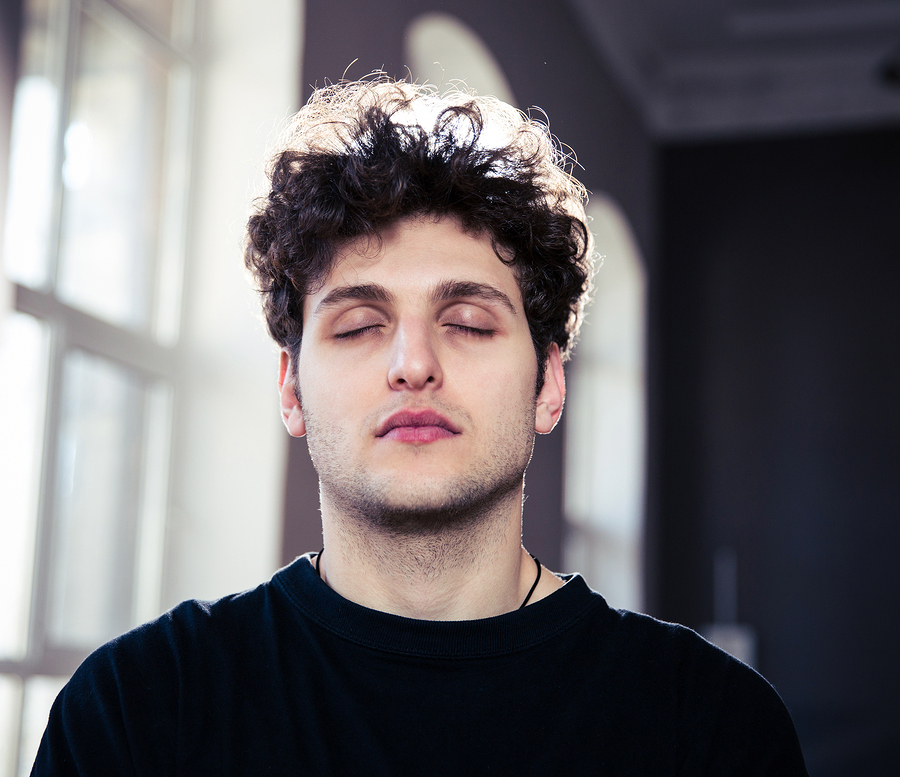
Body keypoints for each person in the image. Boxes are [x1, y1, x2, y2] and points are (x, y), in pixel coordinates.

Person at [32, 78, 808, 775]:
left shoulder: (709, 727)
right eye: (359, 325)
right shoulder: (138, 713)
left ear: (550, 382)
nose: (413, 363)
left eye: (468, 322)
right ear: (291, 389)